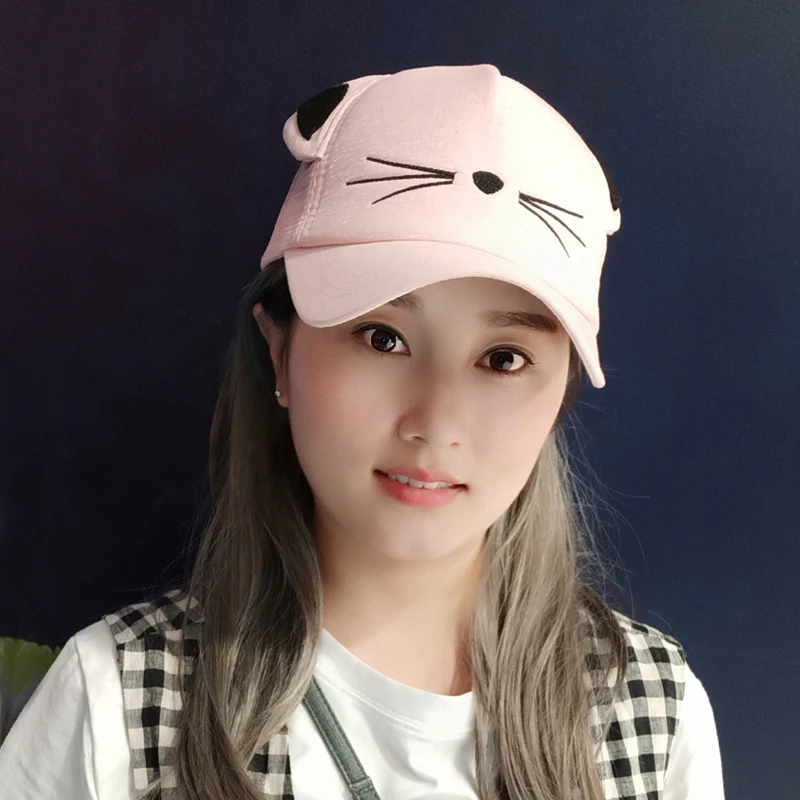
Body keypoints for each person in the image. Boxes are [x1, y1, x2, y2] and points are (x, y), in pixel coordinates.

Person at [0, 63, 725, 800]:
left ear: (560, 393)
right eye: (382, 338)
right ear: (279, 352)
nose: (435, 422)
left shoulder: (654, 716)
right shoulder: (116, 708)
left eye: (503, 359)